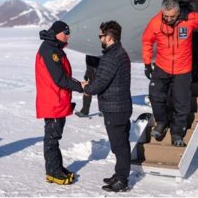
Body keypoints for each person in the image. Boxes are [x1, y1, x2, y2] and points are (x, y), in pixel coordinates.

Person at [142, 0, 198, 147]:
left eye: (172, 16)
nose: (169, 19)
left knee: (182, 104)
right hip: (162, 66)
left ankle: (177, 133)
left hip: (182, 69)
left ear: (178, 12)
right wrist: (147, 64)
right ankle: (161, 122)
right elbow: (147, 41)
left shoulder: (190, 18)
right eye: (166, 16)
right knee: (155, 96)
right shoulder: (155, 22)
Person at [35, 20, 86, 185]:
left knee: (54, 136)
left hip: (57, 99)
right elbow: (59, 79)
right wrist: (79, 86)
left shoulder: (53, 48)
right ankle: (53, 172)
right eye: (65, 32)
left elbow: (61, 76)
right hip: (53, 101)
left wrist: (78, 84)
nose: (68, 35)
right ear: (56, 32)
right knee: (52, 138)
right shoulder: (50, 51)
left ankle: (56, 168)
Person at [84, 21, 132, 192]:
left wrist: (87, 89)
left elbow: (101, 82)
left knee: (119, 146)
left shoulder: (111, 57)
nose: (100, 39)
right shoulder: (119, 52)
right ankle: (120, 174)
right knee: (121, 144)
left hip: (115, 108)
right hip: (120, 106)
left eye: (101, 36)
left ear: (109, 37)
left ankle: (122, 180)